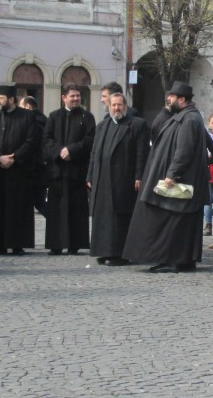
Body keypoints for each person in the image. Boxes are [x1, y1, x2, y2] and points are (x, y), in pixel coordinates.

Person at [122, 82, 210, 273]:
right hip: (182, 180)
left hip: (179, 181)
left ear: (181, 99)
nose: (168, 100)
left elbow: (184, 151)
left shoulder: (189, 120)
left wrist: (172, 174)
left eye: (171, 96)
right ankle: (184, 260)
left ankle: (172, 260)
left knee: (173, 223)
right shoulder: (185, 117)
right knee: (180, 223)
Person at [87, 91, 149, 265]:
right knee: (102, 217)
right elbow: (94, 153)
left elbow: (142, 153)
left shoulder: (137, 125)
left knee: (119, 218)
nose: (116, 108)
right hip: (102, 178)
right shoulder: (102, 126)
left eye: (119, 105)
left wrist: (139, 175)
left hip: (124, 178)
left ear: (125, 107)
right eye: (113, 105)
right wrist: (90, 174)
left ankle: (118, 253)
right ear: (109, 106)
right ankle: (102, 250)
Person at [42, 83, 97, 255]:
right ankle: (56, 244)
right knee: (56, 210)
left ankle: (75, 244)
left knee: (76, 209)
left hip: (76, 170)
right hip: (57, 171)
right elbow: (46, 140)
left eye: (78, 96)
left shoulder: (87, 117)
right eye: (72, 96)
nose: (76, 99)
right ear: (63, 97)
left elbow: (89, 140)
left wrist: (71, 150)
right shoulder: (53, 116)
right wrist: (59, 151)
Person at [0, 86, 40, 256]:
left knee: (18, 208)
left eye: (1, 98)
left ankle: (18, 243)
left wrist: (15, 157)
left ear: (11, 99)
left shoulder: (27, 117)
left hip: (19, 171)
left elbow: (32, 141)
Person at [21, 95, 49, 216]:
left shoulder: (33, 121)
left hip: (35, 167)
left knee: (38, 201)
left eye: (21, 107)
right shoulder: (43, 119)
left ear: (28, 106)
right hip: (41, 166)